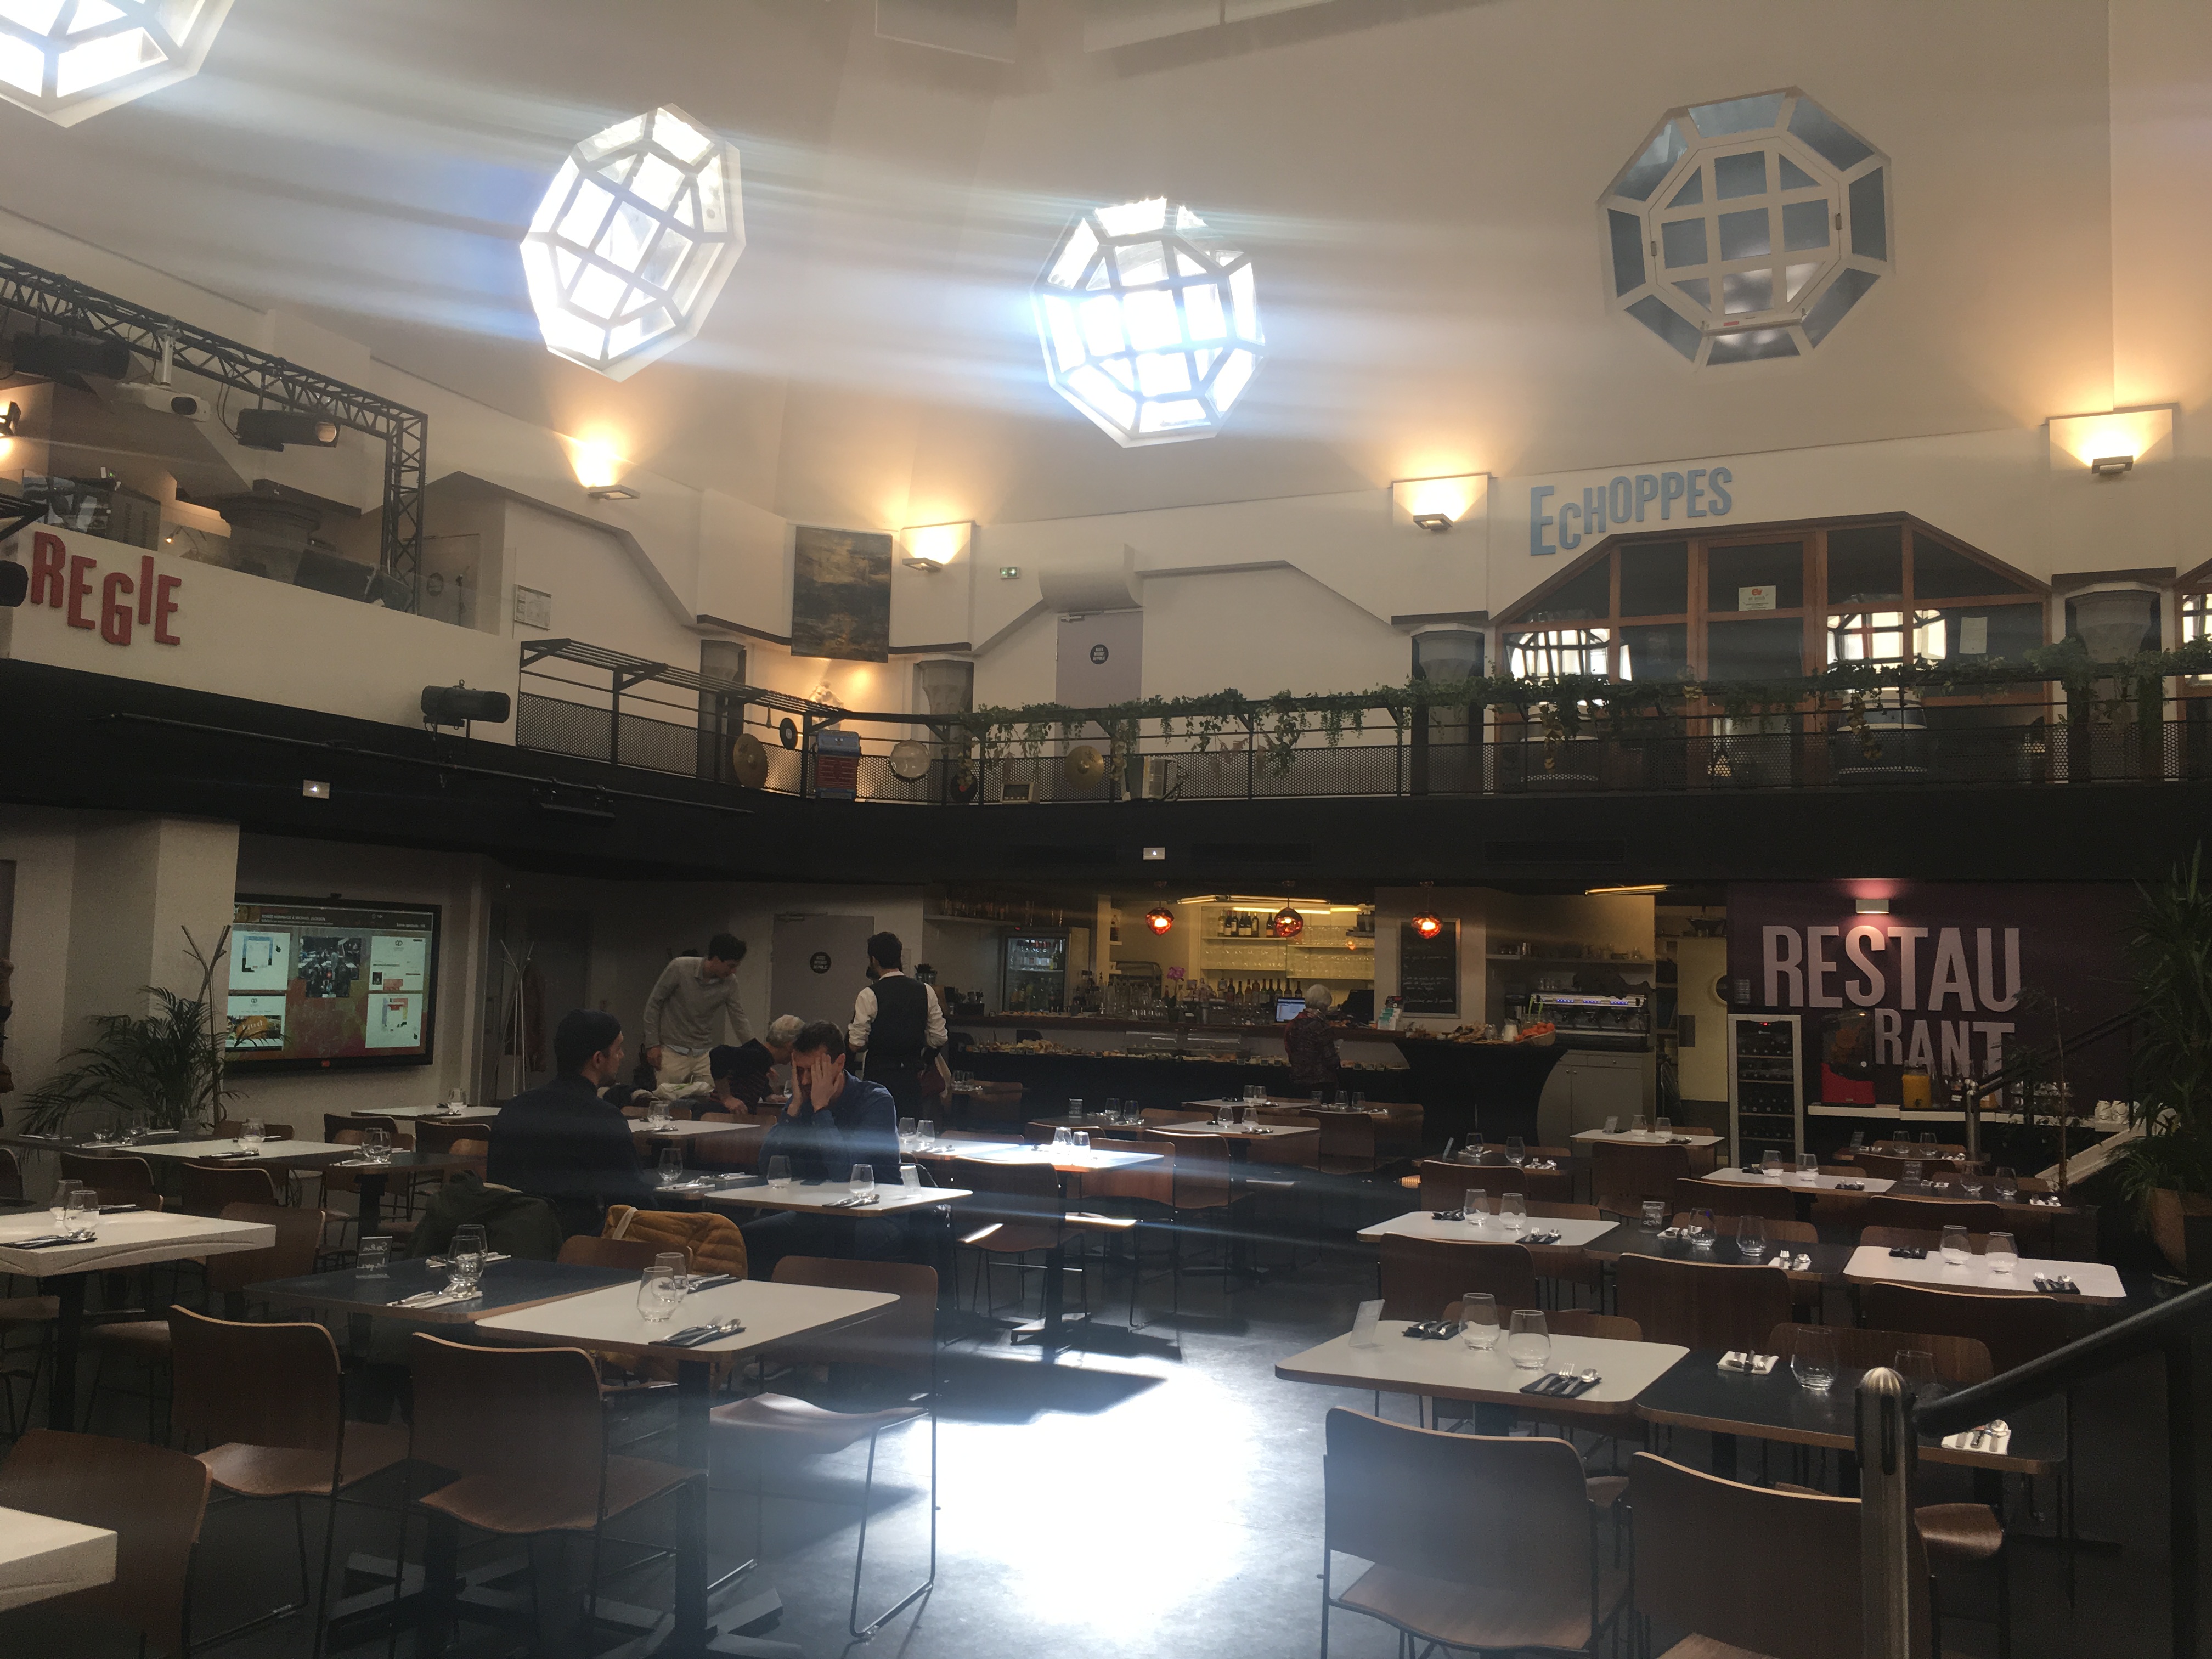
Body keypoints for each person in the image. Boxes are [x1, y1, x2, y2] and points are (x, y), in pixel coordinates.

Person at [744, 1020, 907, 1275]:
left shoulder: (875, 1101)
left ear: (839, 1064)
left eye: (815, 1071)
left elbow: (845, 1173)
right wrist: (793, 1111)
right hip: (816, 1214)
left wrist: (821, 1110)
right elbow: (768, 1167)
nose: (805, 1080)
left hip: (874, 1216)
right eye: (799, 1071)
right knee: (744, 1240)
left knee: (829, 1243)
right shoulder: (801, 1100)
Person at [488, 1009, 662, 1238]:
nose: (622, 1055)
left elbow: (496, 1186)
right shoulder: (602, 1118)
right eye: (618, 1049)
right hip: (578, 1245)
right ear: (598, 1059)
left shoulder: (513, 1109)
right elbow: (634, 1200)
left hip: (505, 1238)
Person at [848, 931, 946, 1116]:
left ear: (874, 960)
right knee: (908, 1128)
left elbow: (856, 1044)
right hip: (911, 1077)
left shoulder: (869, 994)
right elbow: (939, 1037)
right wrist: (922, 1057)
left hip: (878, 1077)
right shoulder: (926, 991)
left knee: (877, 1126)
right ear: (899, 958)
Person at [642, 933, 752, 1092]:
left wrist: (756, 1052)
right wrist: (653, 1044)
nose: (733, 971)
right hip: (672, 1051)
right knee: (666, 1098)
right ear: (716, 959)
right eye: (730, 966)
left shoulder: (730, 983)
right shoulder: (680, 967)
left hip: (703, 1053)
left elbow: (739, 1018)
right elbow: (654, 1004)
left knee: (712, 1097)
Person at [708, 1014, 803, 1111]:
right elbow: (718, 1054)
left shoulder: (762, 1058)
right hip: (719, 1114)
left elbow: (750, 1071)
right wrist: (727, 1098)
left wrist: (768, 1095)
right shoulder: (759, 1056)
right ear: (790, 1045)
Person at [1283, 981, 1344, 1097]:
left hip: (1297, 1080)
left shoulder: (1293, 1024)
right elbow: (1331, 1060)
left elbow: (1290, 1050)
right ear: (1324, 1006)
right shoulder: (1321, 1026)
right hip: (1320, 1083)